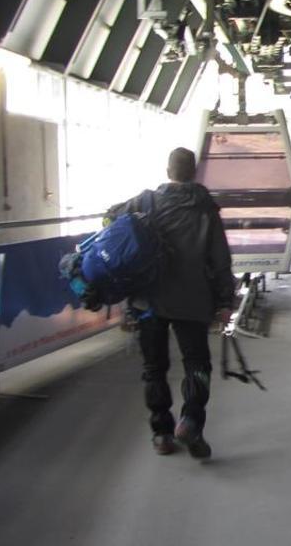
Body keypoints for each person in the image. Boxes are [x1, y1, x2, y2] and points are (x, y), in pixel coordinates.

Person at [109, 147, 235, 459]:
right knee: (197, 365)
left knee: (154, 368)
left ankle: (161, 434)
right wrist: (224, 302)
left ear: (168, 172)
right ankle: (190, 420)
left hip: (147, 300)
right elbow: (220, 260)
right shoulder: (206, 208)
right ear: (194, 172)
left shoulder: (145, 201)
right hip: (192, 300)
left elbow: (111, 219)